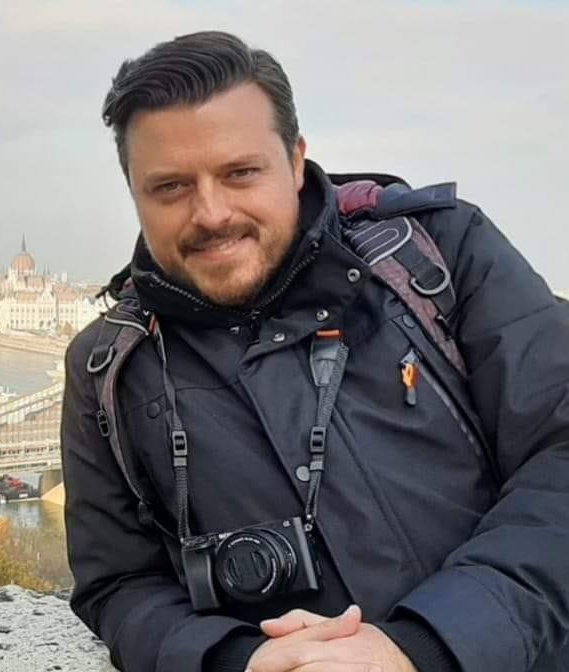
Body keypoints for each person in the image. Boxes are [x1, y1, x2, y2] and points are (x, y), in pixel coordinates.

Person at [60, 30, 569, 672]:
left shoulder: (440, 254)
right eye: (170, 187)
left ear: (296, 161)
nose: (211, 213)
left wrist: (424, 645)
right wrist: (233, 660)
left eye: (240, 173)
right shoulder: (108, 367)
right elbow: (118, 585)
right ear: (134, 192)